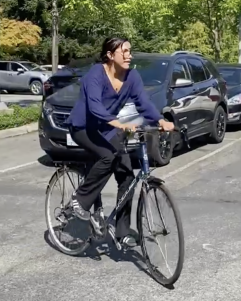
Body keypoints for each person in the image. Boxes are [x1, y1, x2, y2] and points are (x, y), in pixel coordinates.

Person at [66, 37, 174, 247]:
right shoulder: (95, 75)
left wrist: (160, 120)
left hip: (107, 128)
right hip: (84, 127)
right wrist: (118, 123)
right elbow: (94, 106)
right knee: (107, 156)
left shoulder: (132, 76)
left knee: (126, 175)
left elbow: (143, 102)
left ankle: (122, 230)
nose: (129, 55)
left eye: (130, 51)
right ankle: (79, 200)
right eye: (123, 51)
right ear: (109, 54)